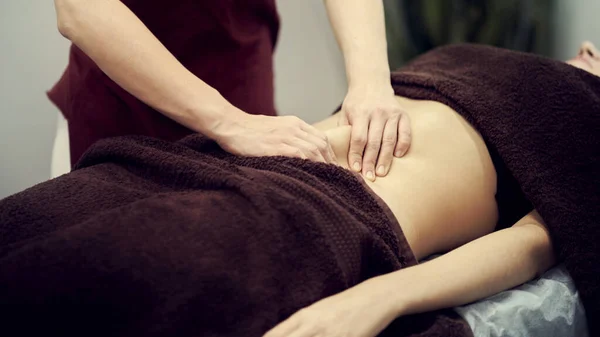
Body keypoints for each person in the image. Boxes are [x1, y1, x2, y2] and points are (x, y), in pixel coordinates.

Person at [2, 41, 597, 336]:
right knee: (29, 224)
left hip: (322, 209)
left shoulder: (585, 116)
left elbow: (535, 244)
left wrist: (378, 297)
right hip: (216, 158)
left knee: (81, 280)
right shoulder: (495, 59)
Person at [50, 0, 411, 181]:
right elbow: (82, 9)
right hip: (126, 102)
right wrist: (229, 124)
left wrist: (371, 82)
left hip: (240, 73)